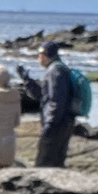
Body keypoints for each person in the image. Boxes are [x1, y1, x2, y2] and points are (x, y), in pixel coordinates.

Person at [34, 40, 77, 168]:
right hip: (64, 121)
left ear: (45, 55)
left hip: (57, 124)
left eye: (39, 54)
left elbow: (57, 99)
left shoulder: (55, 70)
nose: (38, 57)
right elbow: (43, 96)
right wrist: (27, 81)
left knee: (44, 163)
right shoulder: (58, 68)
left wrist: (50, 123)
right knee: (57, 163)